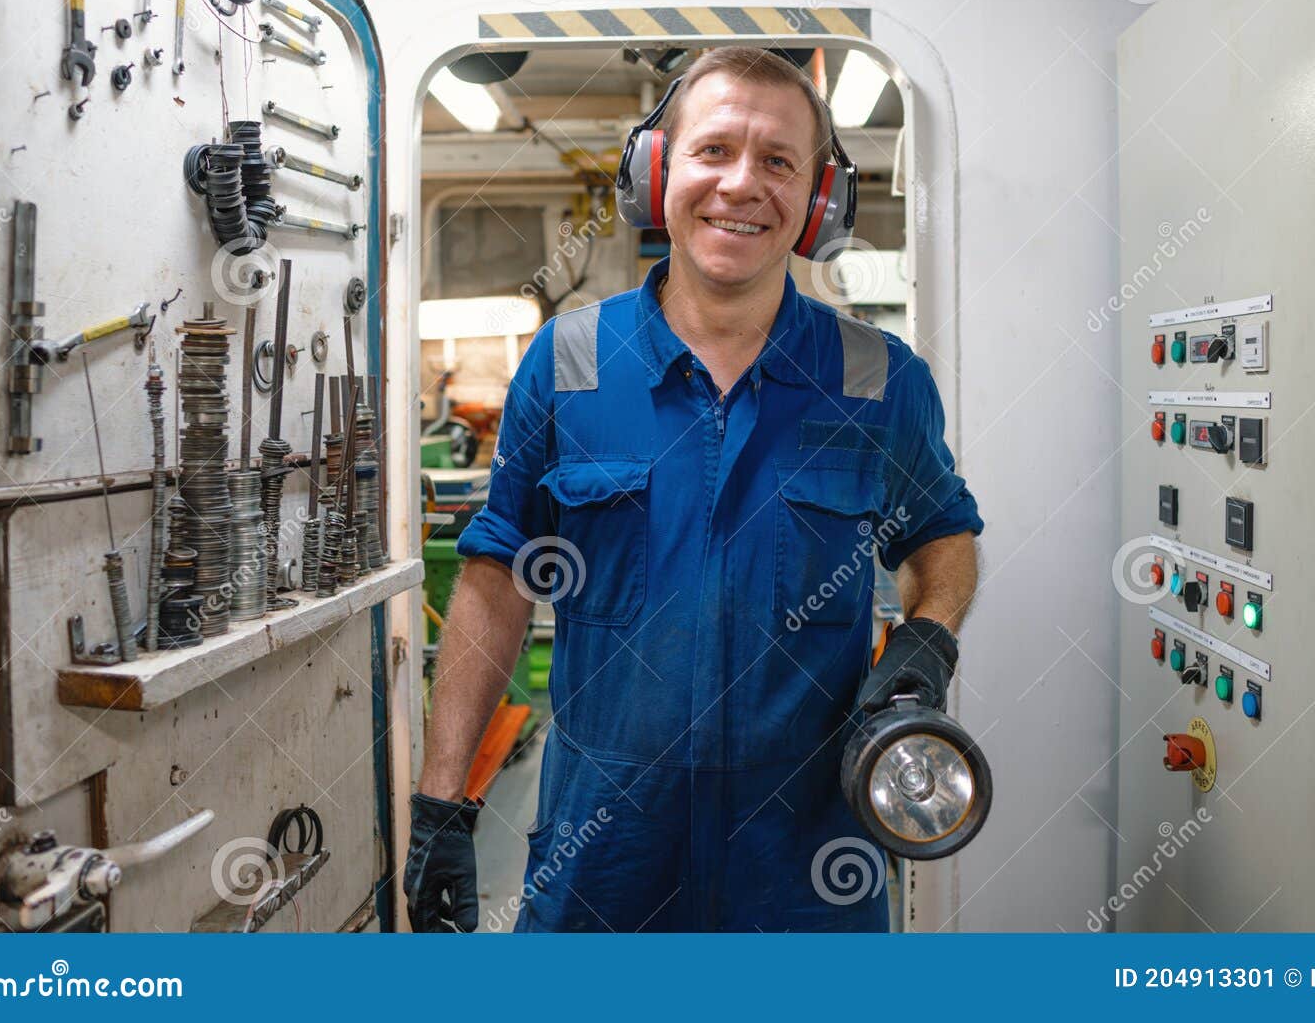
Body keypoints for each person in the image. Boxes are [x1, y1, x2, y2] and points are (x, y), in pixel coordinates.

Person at [405, 46, 983, 932]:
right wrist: (443, 803)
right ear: (656, 171)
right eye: (714, 151)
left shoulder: (876, 379)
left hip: (806, 862)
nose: (743, 185)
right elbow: (496, 580)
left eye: (779, 161)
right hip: (600, 856)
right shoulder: (569, 363)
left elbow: (940, 533)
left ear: (818, 199)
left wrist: (930, 635)